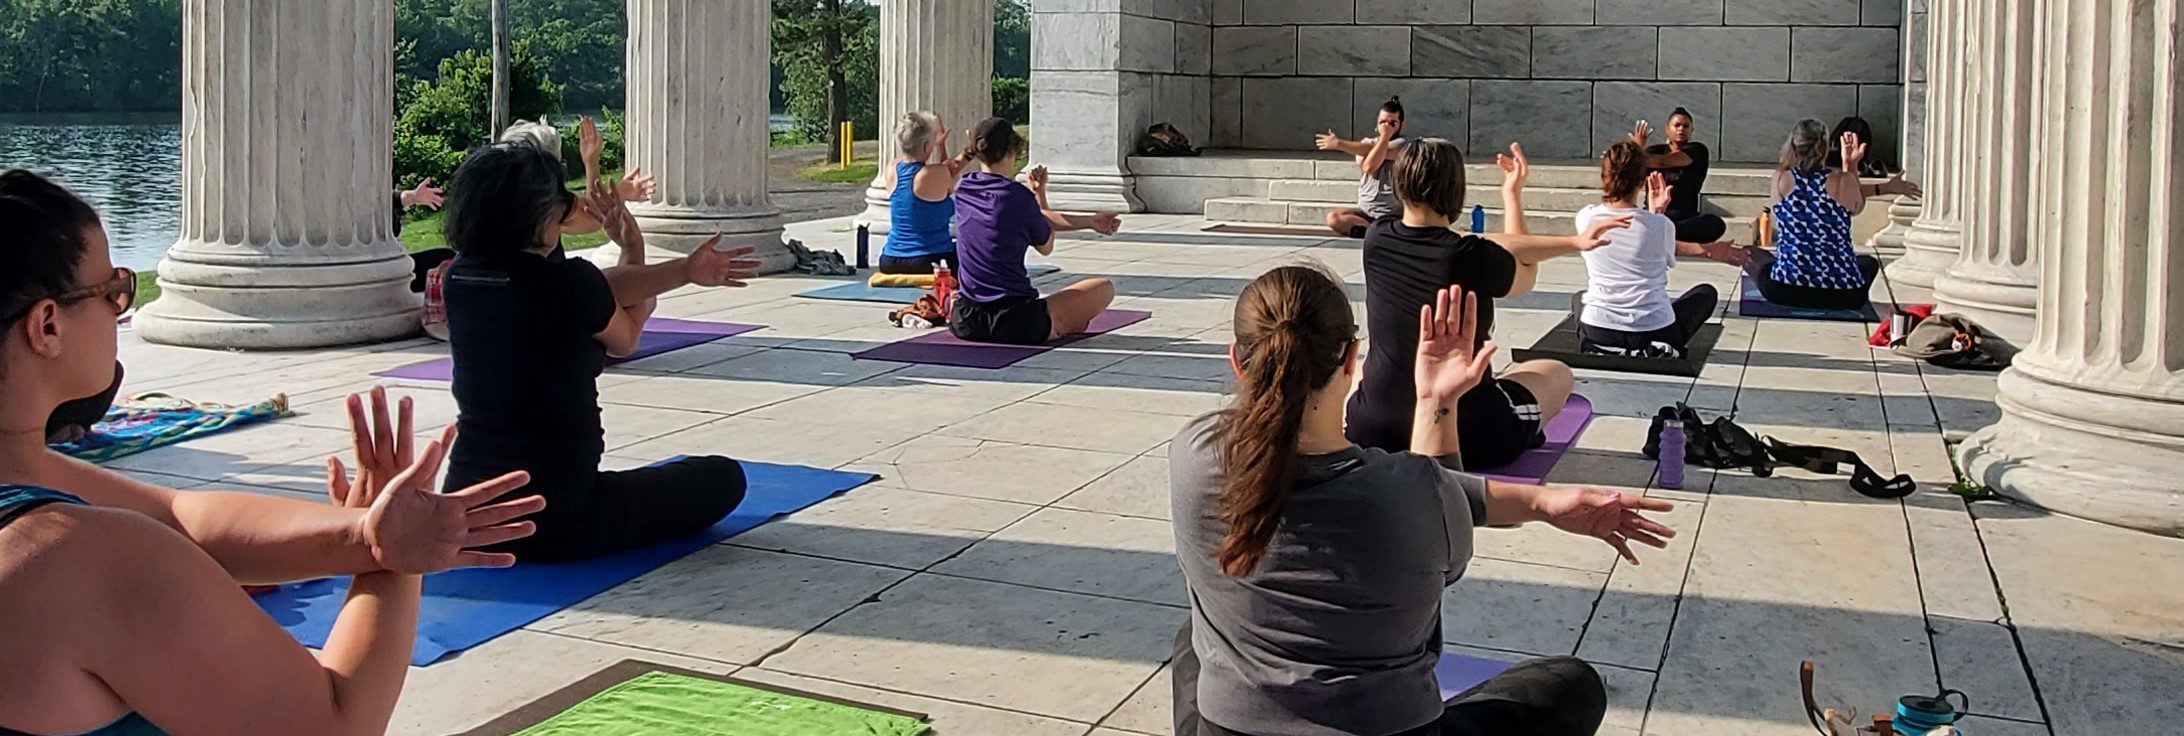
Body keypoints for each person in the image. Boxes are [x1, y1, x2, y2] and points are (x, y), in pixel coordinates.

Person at [0, 169, 541, 735]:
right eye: (112, 291)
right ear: (47, 325)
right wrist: (399, 561)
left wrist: (363, 536)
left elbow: (180, 517)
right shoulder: (77, 557)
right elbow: (336, 724)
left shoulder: (39, 485)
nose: (120, 311)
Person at [1169, 264, 1676, 736]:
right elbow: (1437, 499)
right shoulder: (1411, 491)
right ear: (1351, 359)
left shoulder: (1194, 456)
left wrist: (1541, 503)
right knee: (1570, 687)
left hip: (1230, 727)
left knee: (1195, 639)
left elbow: (1432, 495)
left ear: (1238, 361)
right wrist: (1438, 403)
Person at [438, 142, 761, 561]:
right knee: (722, 478)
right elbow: (625, 336)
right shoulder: (570, 285)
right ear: (540, 217)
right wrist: (652, 254)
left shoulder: (459, 279)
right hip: (557, 515)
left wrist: (667, 266)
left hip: (470, 511)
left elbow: (603, 287)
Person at [1345, 139, 1629, 468]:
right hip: (1471, 433)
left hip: (1375, 427)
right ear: (1455, 190)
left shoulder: (1377, 238)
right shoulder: (1471, 257)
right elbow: (1525, 269)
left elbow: (1495, 245)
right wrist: (1514, 197)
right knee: (1556, 372)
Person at [948, 118, 1120, 345]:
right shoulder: (1019, 197)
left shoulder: (964, 188)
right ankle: (1060, 324)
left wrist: (1088, 221)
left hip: (966, 320)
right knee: (1103, 288)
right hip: (1018, 321)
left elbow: (1016, 214)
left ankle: (1062, 322)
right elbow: (1046, 246)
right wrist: (1040, 196)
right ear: (1013, 151)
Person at [1573, 140, 1751, 359]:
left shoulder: (1585, 217)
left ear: (1603, 177)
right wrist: (1657, 214)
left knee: (1580, 298)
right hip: (1655, 330)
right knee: (1706, 293)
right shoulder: (1660, 224)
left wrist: (1655, 214)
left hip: (1599, 330)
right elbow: (1657, 246)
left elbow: (1642, 240)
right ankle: (1657, 346)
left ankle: (1599, 345)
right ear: (1641, 182)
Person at [1747, 120, 1920, 311]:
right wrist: (1851, 165)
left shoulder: (1780, 177)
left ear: (1793, 145)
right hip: (1845, 295)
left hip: (1785, 290)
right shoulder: (1842, 181)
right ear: (1825, 148)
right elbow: (1855, 205)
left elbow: (1815, 196)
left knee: (1753, 254)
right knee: (1867, 263)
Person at [875, 112, 973, 275]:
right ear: (928, 146)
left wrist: (938, 144)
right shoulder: (933, 174)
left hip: (890, 260)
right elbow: (950, 170)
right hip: (930, 260)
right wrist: (970, 148)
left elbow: (944, 173)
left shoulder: (892, 168)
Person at [1315, 96, 1408, 238]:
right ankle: (1374, 231)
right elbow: (1367, 164)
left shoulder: (1405, 144)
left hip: (1392, 213)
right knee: (1334, 217)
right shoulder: (1365, 143)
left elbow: (1371, 164)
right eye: (1383, 122)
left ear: (1401, 125)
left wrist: (1384, 136)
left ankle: (1381, 232)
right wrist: (1376, 144)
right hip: (1366, 211)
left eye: (1392, 123)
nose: (1386, 126)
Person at [1638, 108, 1728, 244]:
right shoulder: (1653, 151)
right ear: (1667, 129)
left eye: (1686, 126)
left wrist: (1635, 152)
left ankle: (1663, 232)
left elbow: (1664, 161)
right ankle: (1660, 231)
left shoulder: (1698, 150)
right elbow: (1634, 172)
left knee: (1715, 224)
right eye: (1676, 125)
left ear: (1692, 130)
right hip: (1654, 213)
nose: (1681, 129)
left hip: (1683, 216)